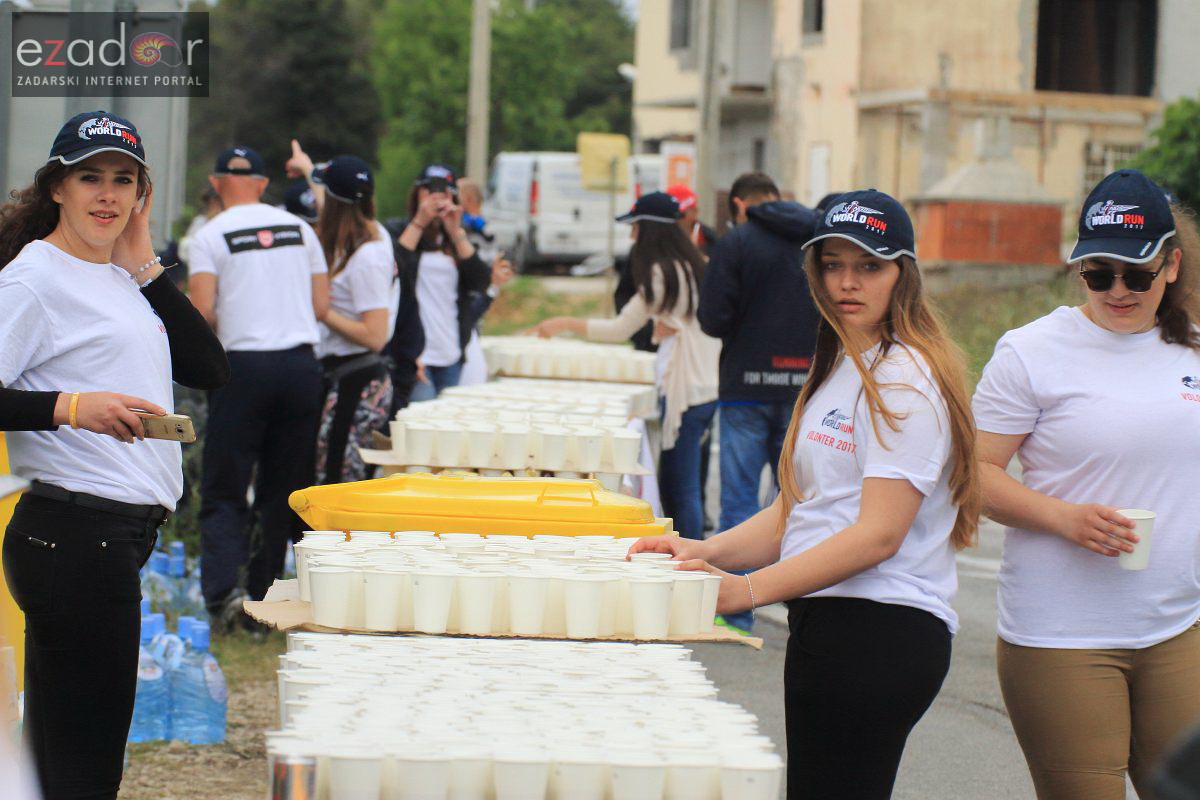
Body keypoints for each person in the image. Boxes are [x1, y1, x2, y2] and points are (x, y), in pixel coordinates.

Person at [632, 189, 980, 798]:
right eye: (833, 264)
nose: (849, 281)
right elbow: (794, 511)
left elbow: (879, 533)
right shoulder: (847, 362)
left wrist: (745, 591)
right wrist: (700, 551)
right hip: (832, 622)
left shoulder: (904, 379)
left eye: (870, 266)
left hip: (882, 630)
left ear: (905, 274)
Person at [0, 110, 227, 799]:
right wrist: (70, 406)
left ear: (141, 195)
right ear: (56, 189)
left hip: (108, 538)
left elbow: (208, 368)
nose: (106, 194)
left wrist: (145, 263)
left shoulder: (118, 278)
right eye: (89, 177)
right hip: (73, 535)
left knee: (75, 756)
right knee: (84, 765)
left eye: (123, 180)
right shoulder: (33, 278)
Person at [972, 168, 1200, 799]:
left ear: (1172, 265)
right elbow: (972, 476)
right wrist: (1063, 518)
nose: (1118, 290)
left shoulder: (1193, 351)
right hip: (1062, 634)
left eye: (1138, 274)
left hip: (1178, 627)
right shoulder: (1031, 351)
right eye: (1099, 273)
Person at [188, 145, 330, 627]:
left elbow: (202, 312)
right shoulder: (301, 229)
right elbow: (320, 303)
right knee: (283, 491)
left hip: (243, 366)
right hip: (299, 367)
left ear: (216, 182)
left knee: (226, 488)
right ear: (264, 184)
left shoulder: (209, 235)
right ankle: (268, 600)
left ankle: (223, 596)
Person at [534, 191, 721, 541]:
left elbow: (619, 328)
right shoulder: (696, 265)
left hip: (685, 392)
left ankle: (691, 556)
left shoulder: (662, 274)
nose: (631, 235)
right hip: (706, 387)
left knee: (681, 489)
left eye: (635, 227)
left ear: (649, 230)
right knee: (686, 485)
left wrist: (565, 323)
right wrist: (666, 330)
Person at [696, 171, 817, 632]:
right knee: (800, 506)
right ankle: (803, 612)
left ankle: (735, 614)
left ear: (742, 204)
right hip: (804, 388)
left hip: (745, 385)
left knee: (740, 503)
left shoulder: (737, 242)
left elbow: (713, 317)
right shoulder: (817, 239)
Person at [308, 155, 398, 483]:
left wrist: (324, 312)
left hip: (358, 380)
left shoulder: (368, 255)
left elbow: (376, 335)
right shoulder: (350, 244)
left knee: (338, 481)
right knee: (323, 474)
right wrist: (308, 170)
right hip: (340, 376)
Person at [391, 165, 491, 402]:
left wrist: (455, 231)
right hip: (415, 356)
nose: (436, 199)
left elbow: (480, 282)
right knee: (418, 427)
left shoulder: (456, 238)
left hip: (450, 354)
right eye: (429, 191)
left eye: (444, 193)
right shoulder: (399, 230)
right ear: (416, 194)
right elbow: (392, 268)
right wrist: (420, 221)